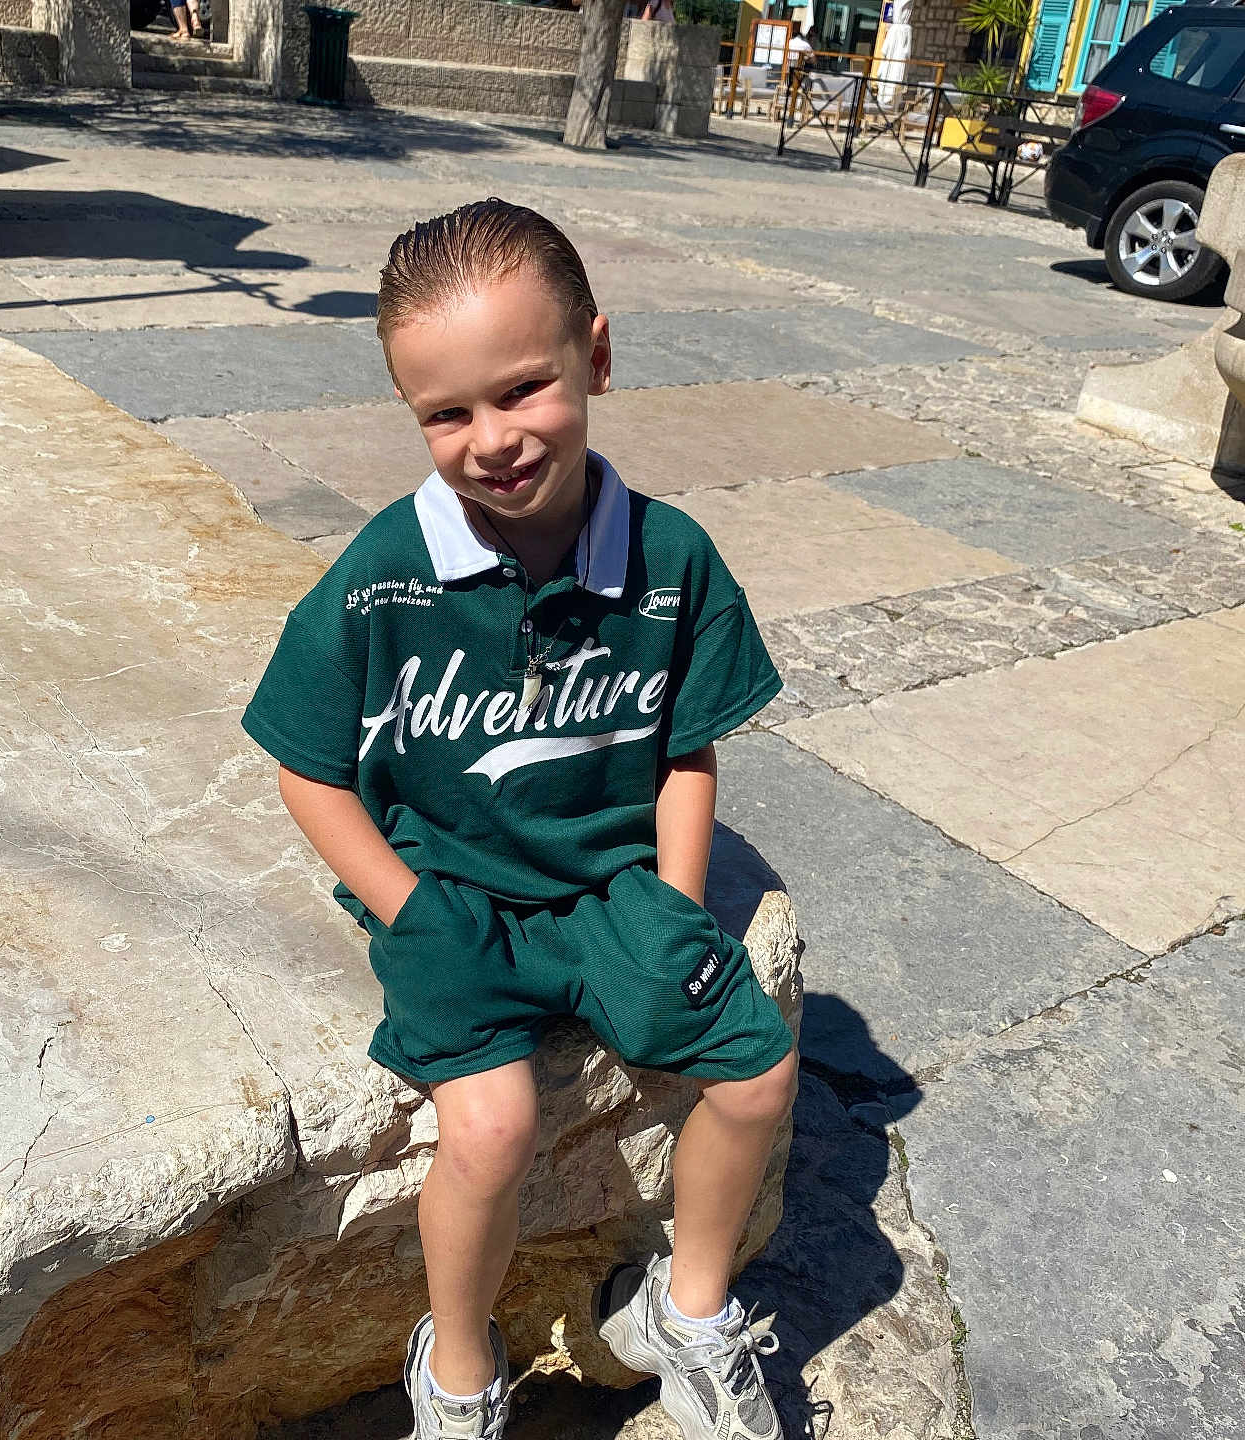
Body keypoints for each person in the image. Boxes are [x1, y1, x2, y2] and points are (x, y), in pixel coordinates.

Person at [241, 198, 797, 1440]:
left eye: (524, 388)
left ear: (595, 356)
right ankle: (455, 1371)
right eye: (446, 413)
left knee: (758, 1072)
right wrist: (408, 910)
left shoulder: (673, 559)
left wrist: (675, 895)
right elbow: (309, 767)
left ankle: (687, 1310)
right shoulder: (386, 566)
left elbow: (684, 747)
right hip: (454, 888)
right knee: (490, 1125)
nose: (490, 438)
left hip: (610, 886)